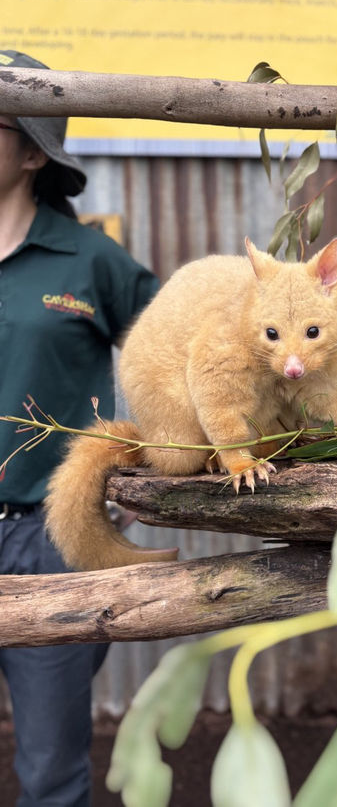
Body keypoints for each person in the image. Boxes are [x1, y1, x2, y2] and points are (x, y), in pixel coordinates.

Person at [0, 49, 159, 806]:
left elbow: (175, 355)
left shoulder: (89, 259)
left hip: (52, 539)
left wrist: (140, 470)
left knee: (50, 770)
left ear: (33, 150)